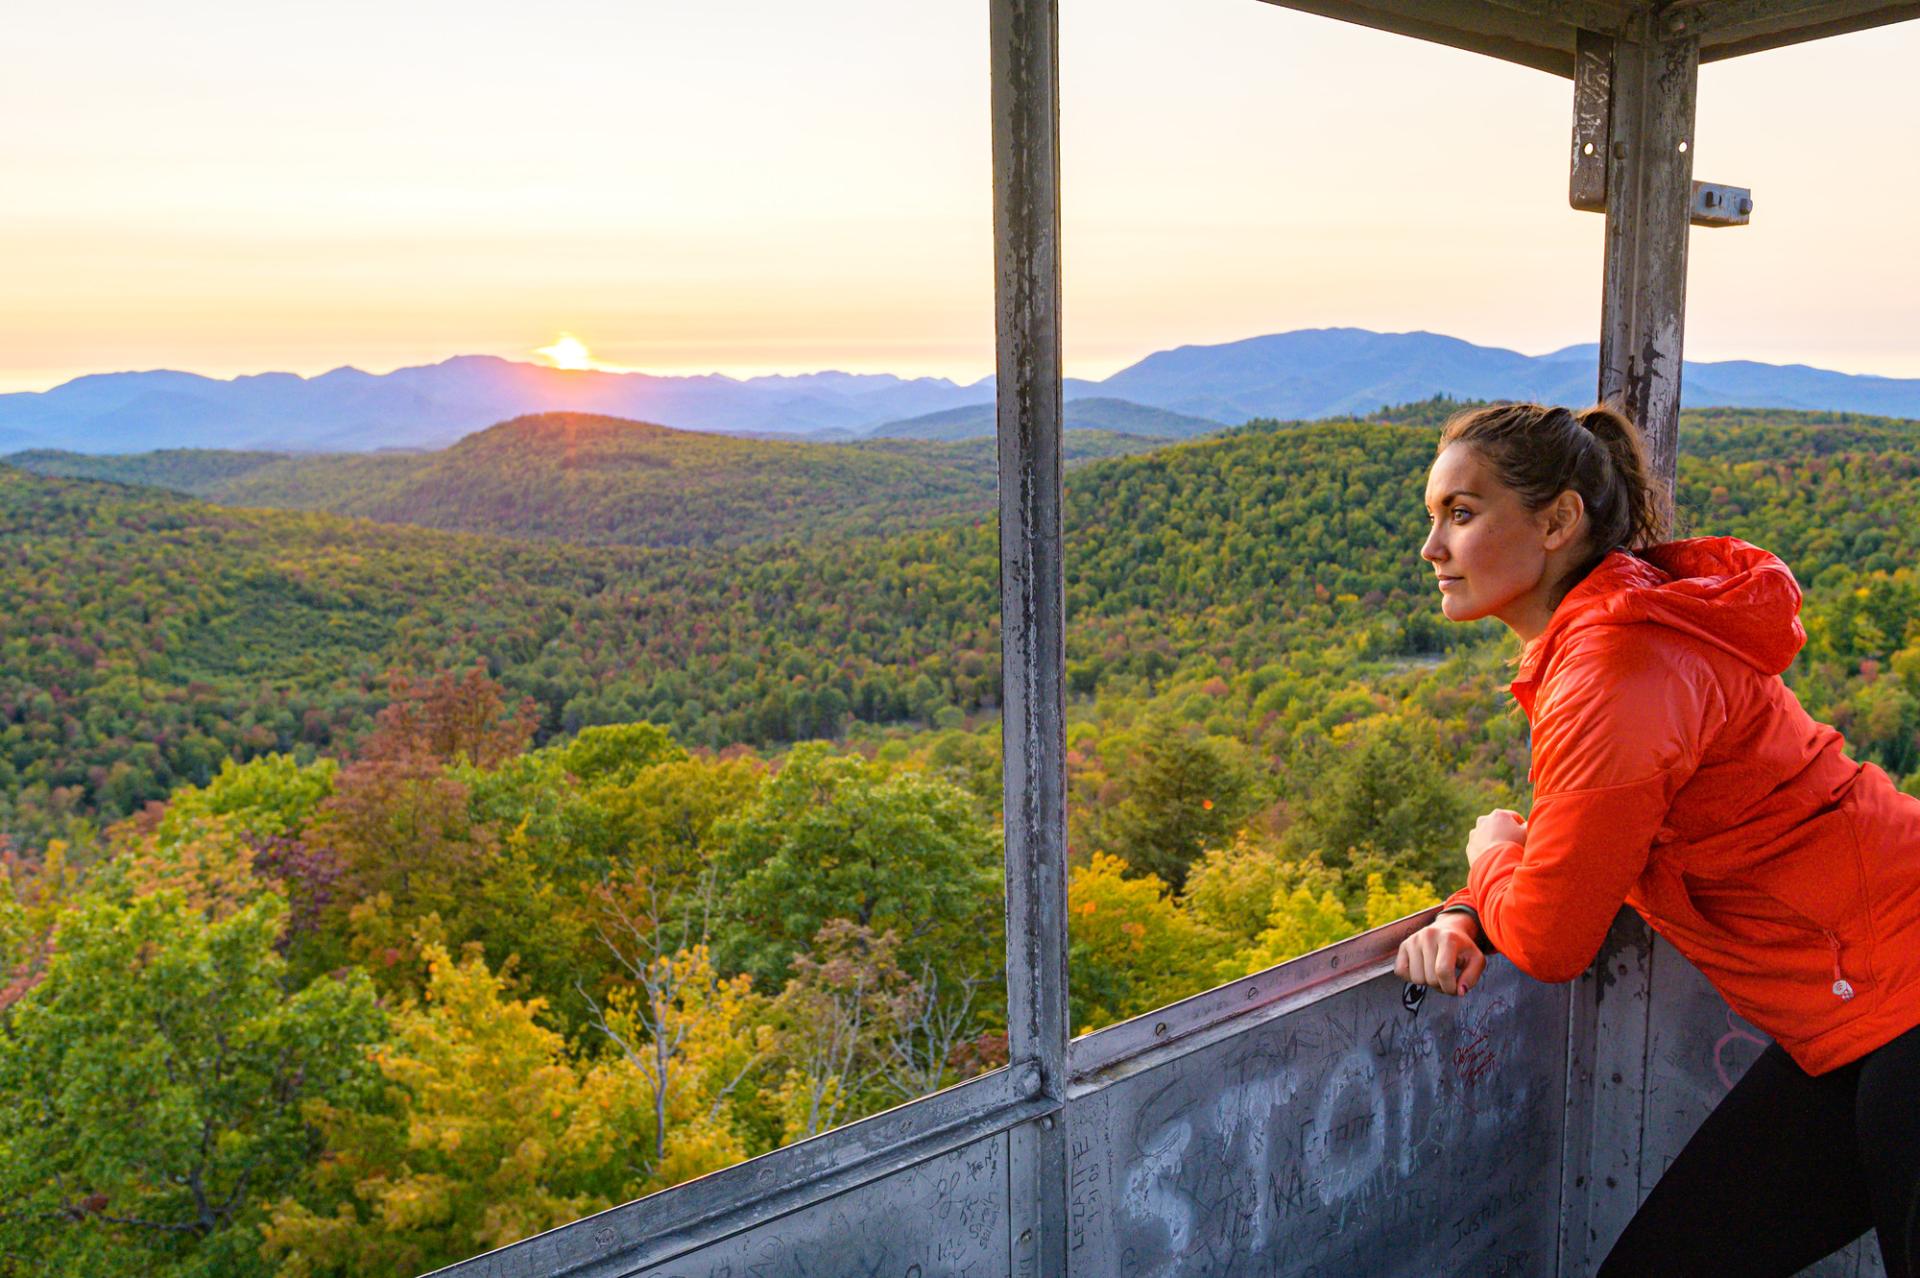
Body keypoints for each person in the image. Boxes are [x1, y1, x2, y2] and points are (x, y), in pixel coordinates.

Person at [1391, 401, 1920, 1278]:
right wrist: (1470, 906)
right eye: (1433, 517)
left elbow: (1556, 938)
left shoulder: (1616, 668)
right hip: (1859, 1013)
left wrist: (1488, 857)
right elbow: (1582, 847)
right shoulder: (1619, 638)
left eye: (1462, 513)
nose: (1431, 548)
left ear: (1558, 520)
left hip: (1896, 990)